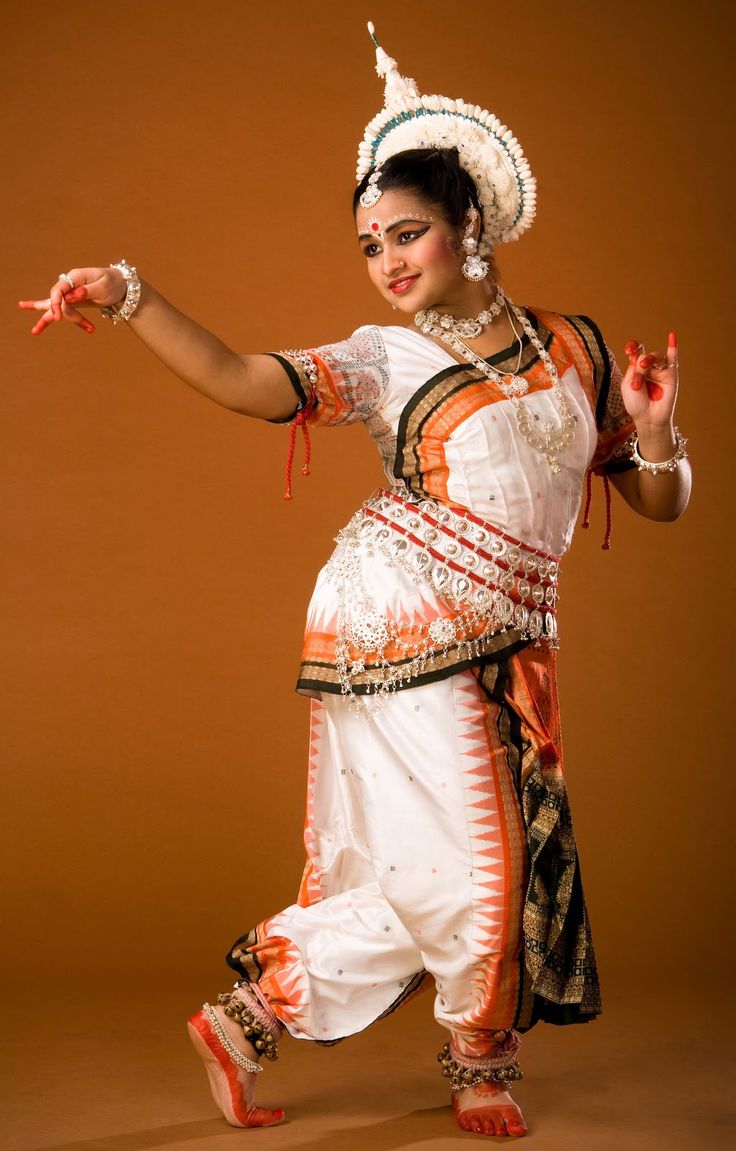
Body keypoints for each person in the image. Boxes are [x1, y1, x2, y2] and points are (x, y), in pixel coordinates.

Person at [18, 24, 690, 1141]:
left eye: (408, 233)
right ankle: (476, 1060)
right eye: (370, 242)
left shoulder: (574, 346)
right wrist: (130, 293)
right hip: (398, 611)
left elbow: (654, 503)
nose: (386, 261)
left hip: (511, 628)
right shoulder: (385, 358)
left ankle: (256, 1017)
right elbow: (243, 378)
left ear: (470, 223)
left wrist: (659, 428)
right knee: (488, 845)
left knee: (446, 854)